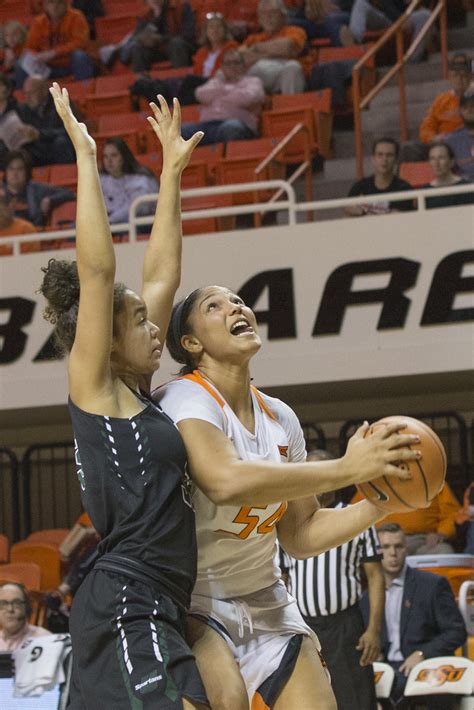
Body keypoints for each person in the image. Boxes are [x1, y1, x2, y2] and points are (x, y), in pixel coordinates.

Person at [152, 284, 421, 709]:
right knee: (228, 701)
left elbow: (300, 534)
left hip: (267, 600)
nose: (235, 307)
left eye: (237, 301)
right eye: (214, 306)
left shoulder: (280, 416)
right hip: (193, 603)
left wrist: (383, 502)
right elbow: (224, 480)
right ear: (191, 343)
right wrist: (348, 469)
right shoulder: (183, 397)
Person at [38, 83, 208, 709]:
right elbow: (99, 273)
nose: (154, 327)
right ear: (104, 342)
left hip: (158, 601)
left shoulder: (136, 387)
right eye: (137, 322)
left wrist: (170, 177)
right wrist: (85, 157)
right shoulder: (96, 388)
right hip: (127, 597)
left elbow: (160, 275)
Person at [280, 449, 384, 710]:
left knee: (356, 701)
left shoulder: (355, 515)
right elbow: (282, 577)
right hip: (304, 625)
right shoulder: (287, 519)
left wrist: (373, 629)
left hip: (344, 626)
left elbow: (375, 577)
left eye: (320, 470)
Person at [360, 522, 467, 710]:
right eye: (385, 547)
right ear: (377, 552)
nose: (392, 553)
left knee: (397, 687)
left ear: (406, 549)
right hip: (386, 668)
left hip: (423, 666)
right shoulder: (366, 597)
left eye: (398, 546)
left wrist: (422, 653)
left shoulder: (432, 585)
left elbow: (456, 632)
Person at [180, 48, 265, 145]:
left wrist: (220, 92)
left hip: (237, 124)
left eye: (236, 63)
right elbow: (200, 94)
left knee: (231, 127)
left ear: (244, 66)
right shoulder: (215, 81)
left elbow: (248, 98)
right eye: (228, 63)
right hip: (207, 126)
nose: (232, 66)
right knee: (180, 131)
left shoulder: (253, 81)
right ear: (222, 67)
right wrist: (232, 91)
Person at [400, 52, 473, 163]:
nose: (459, 79)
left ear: (470, 77)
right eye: (455, 75)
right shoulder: (441, 100)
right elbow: (426, 128)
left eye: (463, 75)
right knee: (409, 148)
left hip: (469, 142)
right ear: (449, 77)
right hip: (445, 144)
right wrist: (434, 138)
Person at [351, 482, 463, 555]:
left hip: (424, 541)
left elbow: (453, 514)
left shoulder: (433, 479)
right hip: (384, 542)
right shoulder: (372, 483)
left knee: (445, 552)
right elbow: (355, 518)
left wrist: (441, 534)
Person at [15, 0, 94, 88]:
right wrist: (37, 56)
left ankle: (85, 92)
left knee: (79, 56)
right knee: (21, 64)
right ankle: (22, 99)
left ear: (66, 4)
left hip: (69, 64)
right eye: (51, 2)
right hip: (47, 67)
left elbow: (80, 43)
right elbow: (30, 48)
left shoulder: (76, 17)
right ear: (45, 5)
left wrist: (54, 53)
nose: (55, 6)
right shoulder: (38, 22)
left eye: (59, 3)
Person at [240, 0, 308, 95]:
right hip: (257, 77)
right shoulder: (253, 38)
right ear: (259, 19)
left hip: (283, 74)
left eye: (273, 12)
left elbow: (286, 47)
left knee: (293, 67)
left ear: (283, 15)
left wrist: (256, 48)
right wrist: (273, 52)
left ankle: (290, 107)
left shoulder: (295, 31)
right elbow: (241, 57)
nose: (268, 17)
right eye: (263, 13)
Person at [340, 0, 431, 63]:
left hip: (405, 16)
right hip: (385, 18)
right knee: (360, 3)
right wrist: (400, 20)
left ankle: (413, 59)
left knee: (426, 15)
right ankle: (355, 39)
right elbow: (385, 4)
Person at [2, 150, 75, 227]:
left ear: (27, 172)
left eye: (20, 169)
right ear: (6, 172)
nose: (15, 173)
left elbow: (69, 194)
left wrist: (50, 200)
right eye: (11, 169)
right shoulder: (1, 191)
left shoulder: (37, 189)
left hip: (33, 234)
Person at [119, 0, 196, 72]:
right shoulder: (145, 13)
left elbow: (188, 34)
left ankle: (181, 78)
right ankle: (142, 83)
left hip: (181, 47)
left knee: (176, 43)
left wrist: (161, 39)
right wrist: (156, 15)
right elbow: (140, 37)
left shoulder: (182, 6)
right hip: (158, 49)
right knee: (139, 48)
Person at [345, 137, 414, 216]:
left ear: (396, 160)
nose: (384, 159)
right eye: (380, 154)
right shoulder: (360, 187)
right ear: (373, 159)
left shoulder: (404, 189)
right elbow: (348, 210)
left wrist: (364, 211)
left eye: (389, 155)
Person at [16, 75, 76, 166]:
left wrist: (39, 134)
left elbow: (70, 130)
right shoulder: (24, 109)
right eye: (25, 93)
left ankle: (65, 174)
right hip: (38, 148)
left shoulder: (61, 103)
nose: (27, 98)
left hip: (57, 146)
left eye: (31, 93)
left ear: (44, 91)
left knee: (61, 142)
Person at [99, 137, 159, 226]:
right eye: (105, 156)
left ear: (124, 157)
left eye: (114, 155)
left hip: (142, 224)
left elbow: (136, 208)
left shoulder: (141, 179)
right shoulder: (102, 181)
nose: (109, 160)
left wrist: (110, 220)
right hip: (113, 224)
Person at [422, 142, 474, 210]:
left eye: (441, 158)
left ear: (451, 162)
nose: (436, 163)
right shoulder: (425, 191)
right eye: (432, 158)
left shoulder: (466, 188)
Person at [0, 582, 51, 652]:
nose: (10, 609)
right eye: (3, 603)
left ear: (26, 607)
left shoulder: (45, 640)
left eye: (16, 603)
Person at [445, 88, 474, 182]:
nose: (469, 110)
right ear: (460, 111)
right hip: (462, 189)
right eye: (465, 107)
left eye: (473, 106)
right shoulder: (451, 140)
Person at [0, 190, 38, 256]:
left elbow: (29, 261)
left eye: (4, 204)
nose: (1, 209)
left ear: (12, 205)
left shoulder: (26, 229)